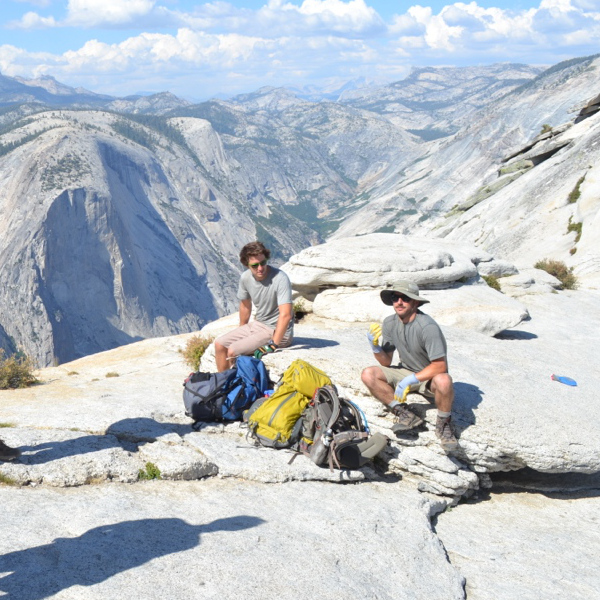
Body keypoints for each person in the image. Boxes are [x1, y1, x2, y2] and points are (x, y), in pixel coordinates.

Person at [361, 280, 458, 452]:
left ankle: (444, 425)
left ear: (415, 302)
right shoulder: (390, 323)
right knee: (368, 374)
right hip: (405, 370)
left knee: (444, 381)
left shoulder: (427, 327)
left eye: (405, 298)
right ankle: (404, 414)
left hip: (429, 377)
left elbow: (440, 366)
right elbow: (386, 362)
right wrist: (375, 347)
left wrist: (410, 381)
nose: (399, 302)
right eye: (395, 297)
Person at [214, 241, 293, 372]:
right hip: (258, 324)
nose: (260, 268)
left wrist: (273, 344)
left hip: (277, 331)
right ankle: (223, 383)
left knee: (233, 350)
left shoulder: (280, 278)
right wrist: (242, 328)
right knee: (219, 344)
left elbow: (286, 315)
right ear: (247, 265)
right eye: (255, 265)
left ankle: (233, 385)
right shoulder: (245, 278)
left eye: (263, 263)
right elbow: (245, 305)